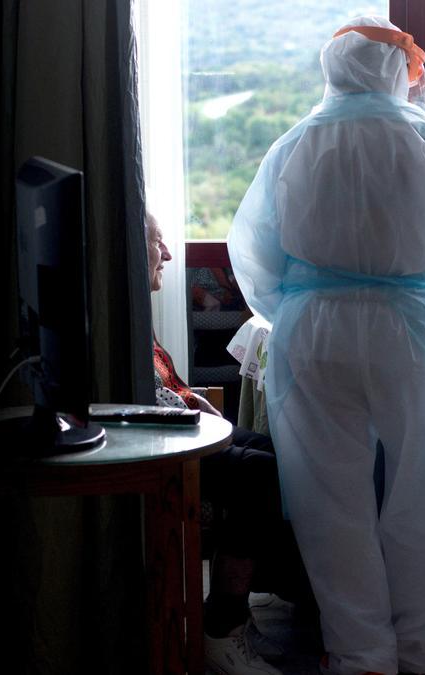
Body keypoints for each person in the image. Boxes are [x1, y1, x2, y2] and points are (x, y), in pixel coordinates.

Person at [227, 16, 425, 675]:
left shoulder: (292, 145)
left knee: (330, 497)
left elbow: (257, 256)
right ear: (396, 71)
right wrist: (400, 288)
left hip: (313, 329)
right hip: (409, 325)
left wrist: (303, 306)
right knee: (422, 487)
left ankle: (361, 652)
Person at [146, 213, 294, 675]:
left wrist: (200, 407)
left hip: (183, 423)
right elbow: (148, 399)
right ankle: (221, 628)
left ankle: (241, 598)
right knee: (260, 474)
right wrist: (198, 413)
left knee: (281, 455)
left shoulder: (128, 304)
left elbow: (165, 383)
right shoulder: (113, 314)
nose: (169, 254)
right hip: (164, 444)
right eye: (157, 241)